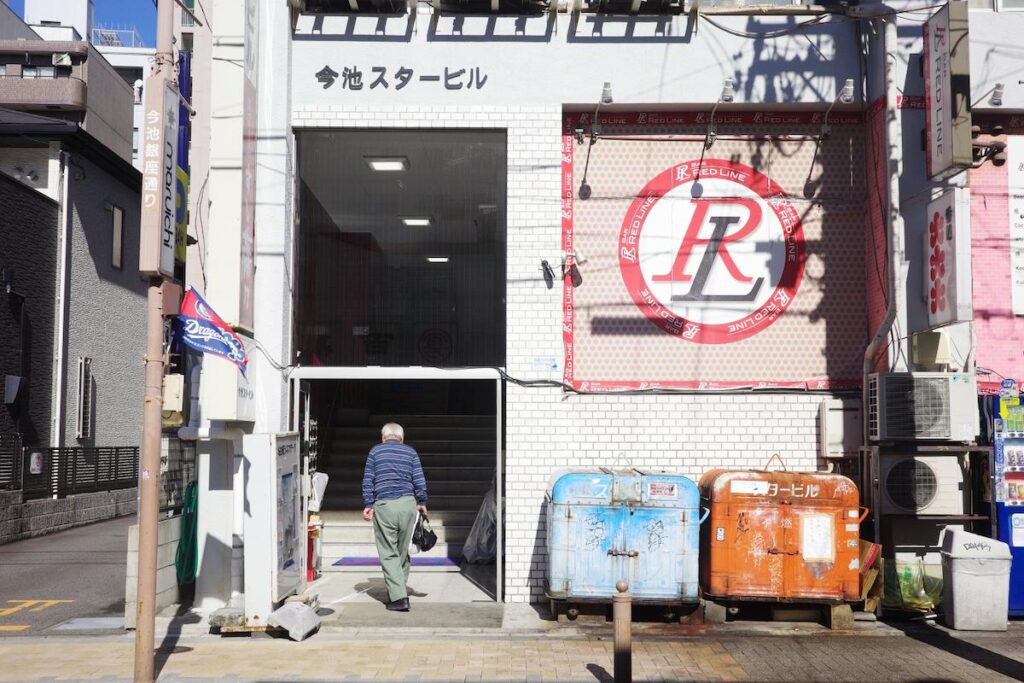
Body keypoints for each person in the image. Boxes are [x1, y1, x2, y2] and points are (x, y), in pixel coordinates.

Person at [362, 422, 428, 612]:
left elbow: (368, 479)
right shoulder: (411, 452)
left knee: (388, 552)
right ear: (402, 438)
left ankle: (399, 598)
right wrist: (422, 501)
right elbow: (419, 478)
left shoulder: (375, 452)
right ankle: (398, 593)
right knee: (402, 552)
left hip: (385, 506)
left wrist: (368, 503)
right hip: (408, 504)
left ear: (383, 438)